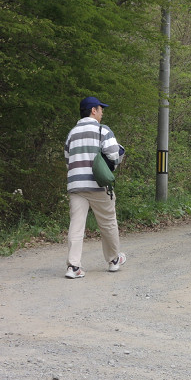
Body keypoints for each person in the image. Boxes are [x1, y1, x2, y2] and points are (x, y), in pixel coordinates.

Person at [64, 96, 126, 279]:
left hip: (76, 185)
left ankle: (73, 267)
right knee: (107, 222)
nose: (102, 112)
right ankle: (114, 260)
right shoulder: (102, 130)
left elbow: (68, 159)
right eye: (101, 109)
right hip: (98, 185)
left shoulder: (71, 133)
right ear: (93, 110)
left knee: (76, 225)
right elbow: (114, 154)